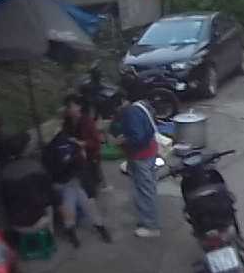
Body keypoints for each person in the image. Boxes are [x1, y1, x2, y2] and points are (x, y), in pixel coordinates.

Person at [44, 115, 111, 247]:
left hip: (64, 181)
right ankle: (98, 226)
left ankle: (72, 229)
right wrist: (76, 156)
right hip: (64, 182)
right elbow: (73, 163)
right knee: (80, 199)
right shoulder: (64, 144)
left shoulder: (53, 146)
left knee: (76, 198)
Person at [110, 97, 160, 238]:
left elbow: (138, 138)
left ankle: (151, 226)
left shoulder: (129, 114)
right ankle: (149, 220)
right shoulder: (138, 106)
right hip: (150, 152)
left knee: (144, 190)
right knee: (149, 188)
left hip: (141, 156)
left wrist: (123, 140)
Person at [64, 95, 103, 199]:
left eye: (70, 106)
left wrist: (83, 143)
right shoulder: (67, 122)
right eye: (67, 107)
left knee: (90, 186)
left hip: (90, 157)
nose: (68, 109)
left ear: (79, 107)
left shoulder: (87, 121)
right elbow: (65, 136)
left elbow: (96, 142)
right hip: (76, 157)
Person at [0, 93, 30, 165]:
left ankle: (16, 157)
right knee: (23, 137)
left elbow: (1, 129)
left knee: (24, 136)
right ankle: (13, 160)